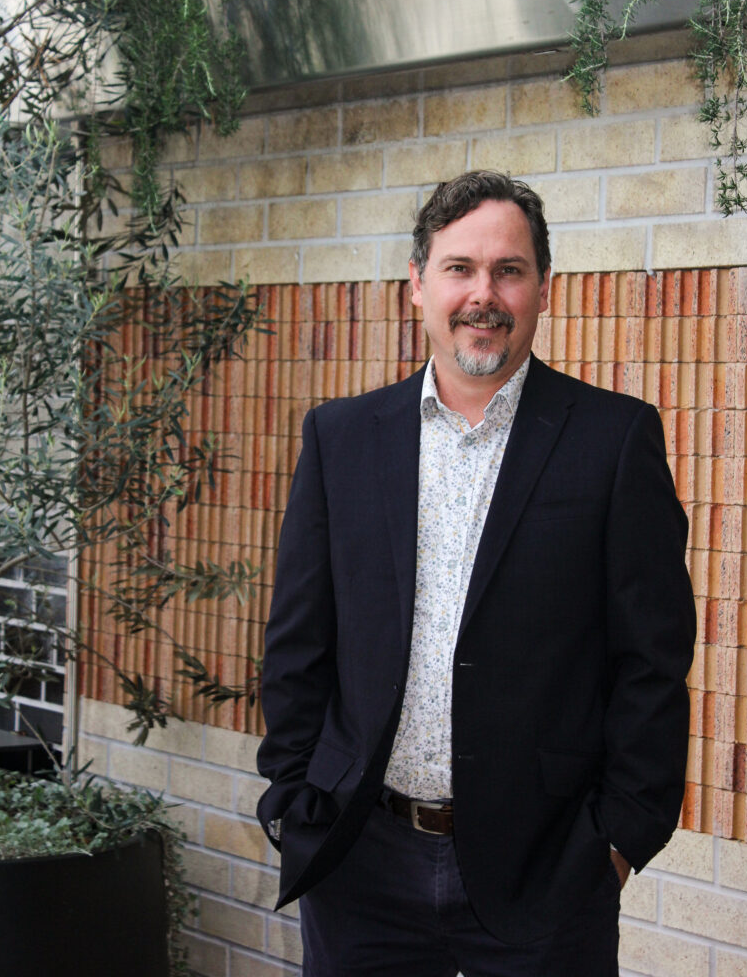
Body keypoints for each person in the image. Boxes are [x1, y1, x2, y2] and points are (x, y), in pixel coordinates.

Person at [256, 170, 696, 977]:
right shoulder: (341, 439)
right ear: (418, 284)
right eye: (459, 268)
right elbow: (298, 641)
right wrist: (292, 795)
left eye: (508, 270)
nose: (483, 294)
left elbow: (652, 660)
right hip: (360, 864)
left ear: (543, 288)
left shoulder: (614, 441)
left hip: (547, 873)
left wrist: (618, 841)